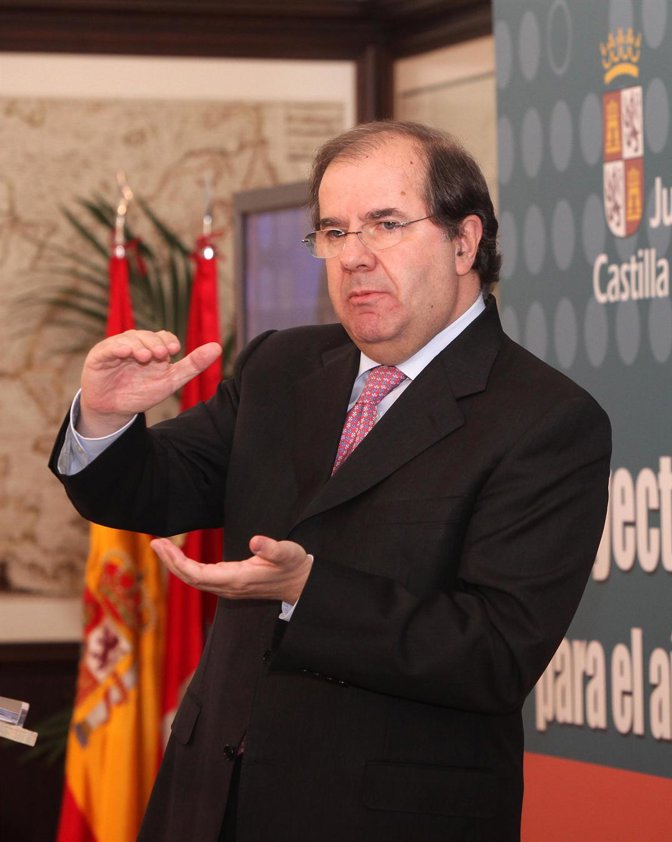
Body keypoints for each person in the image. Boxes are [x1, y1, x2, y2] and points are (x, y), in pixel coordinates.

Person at [50, 121, 612, 842]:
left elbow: (495, 654)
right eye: (334, 232)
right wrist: (102, 418)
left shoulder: (545, 418)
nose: (353, 256)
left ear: (465, 242)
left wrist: (308, 593)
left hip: (383, 817)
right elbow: (149, 489)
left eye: (386, 224)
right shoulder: (280, 367)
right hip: (208, 805)